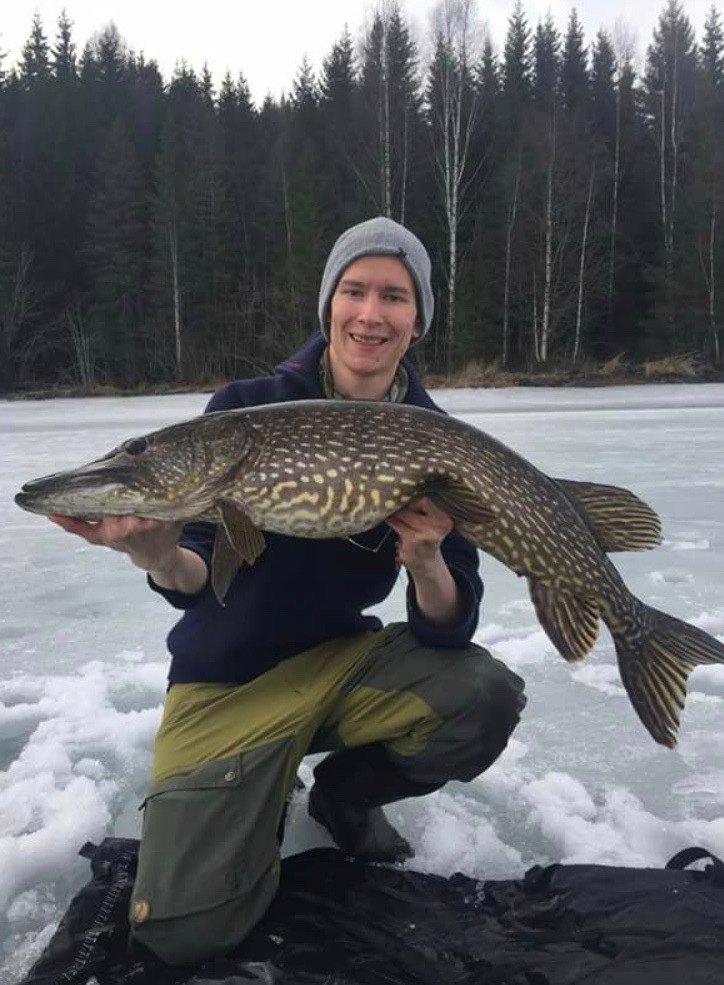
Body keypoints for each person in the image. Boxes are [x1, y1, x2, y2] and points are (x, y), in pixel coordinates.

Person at [50, 217, 526, 966]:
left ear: (417, 320)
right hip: (226, 686)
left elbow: (447, 625)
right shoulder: (243, 411)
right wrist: (155, 550)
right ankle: (253, 794)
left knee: (484, 692)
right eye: (355, 290)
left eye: (394, 296)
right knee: (183, 931)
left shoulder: (437, 441)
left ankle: (344, 793)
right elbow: (195, 580)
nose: (371, 314)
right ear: (329, 303)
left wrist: (428, 559)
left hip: (340, 668)